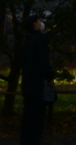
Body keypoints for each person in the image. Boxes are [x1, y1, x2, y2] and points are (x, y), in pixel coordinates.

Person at [19, 13, 54, 145]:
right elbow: (43, 61)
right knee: (38, 116)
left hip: (27, 83)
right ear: (35, 23)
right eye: (39, 21)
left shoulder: (26, 40)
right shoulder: (41, 39)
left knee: (27, 115)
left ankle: (25, 141)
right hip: (38, 83)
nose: (41, 23)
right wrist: (49, 76)